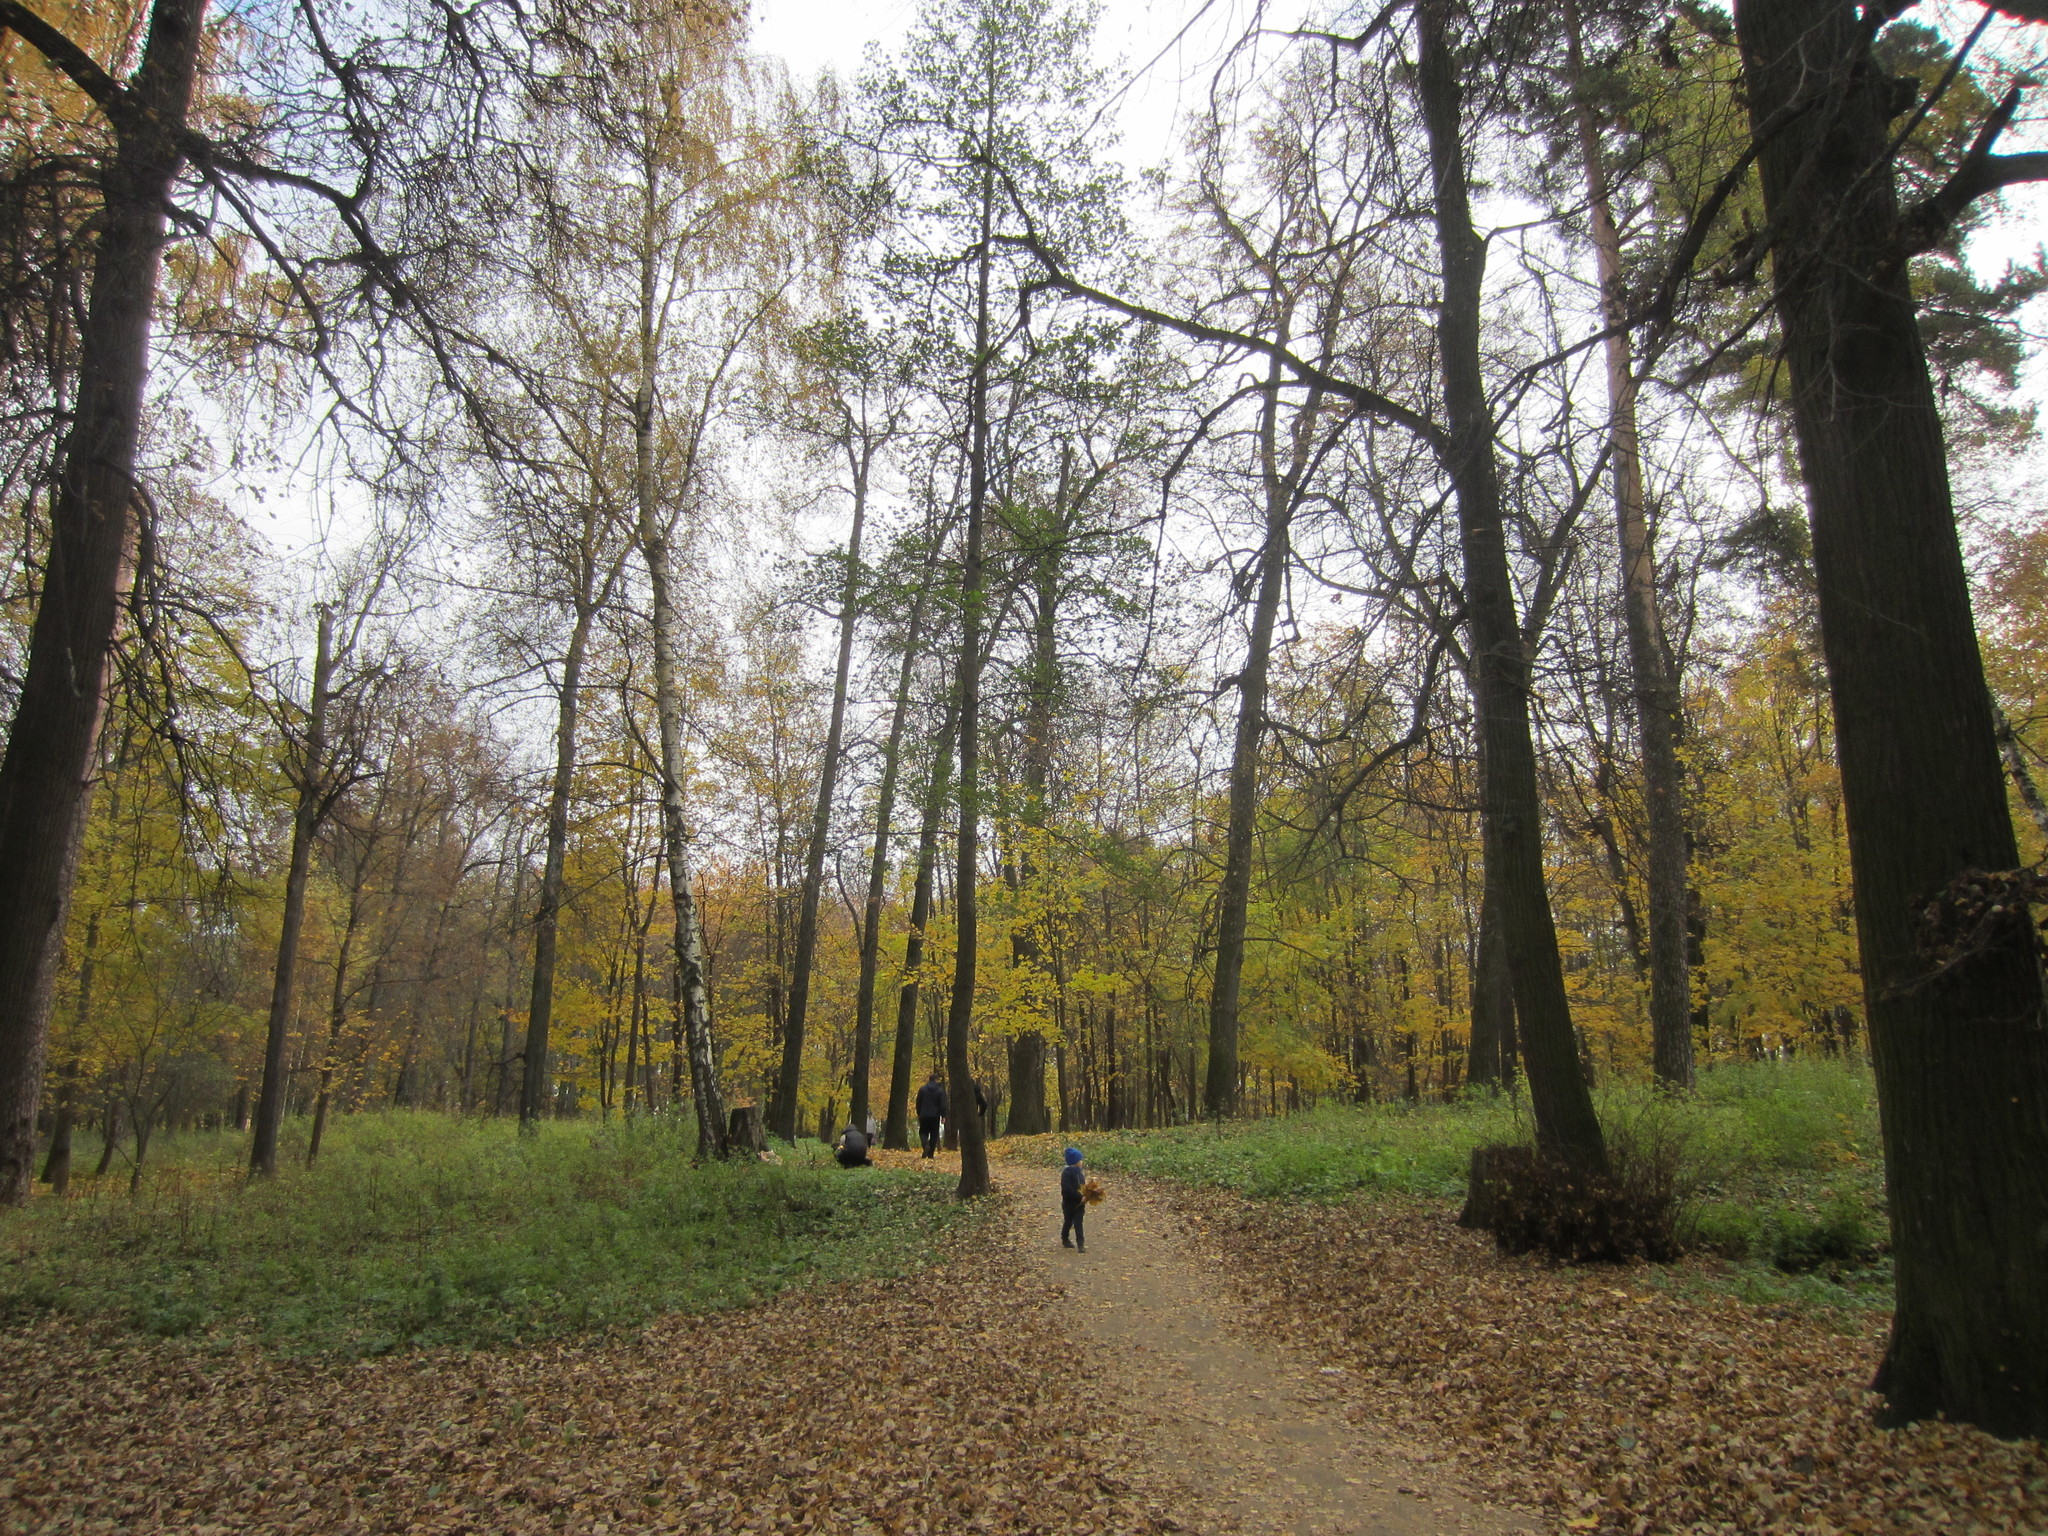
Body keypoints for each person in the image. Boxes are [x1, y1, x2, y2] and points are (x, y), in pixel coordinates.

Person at [915, 1068, 947, 1158]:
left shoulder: (922, 1089)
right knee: (934, 1134)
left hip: (924, 1115)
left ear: (929, 1079)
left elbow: (918, 1103)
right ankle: (930, 1154)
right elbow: (942, 1104)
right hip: (935, 1116)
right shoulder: (940, 1091)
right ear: (936, 1080)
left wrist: (919, 1113)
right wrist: (943, 1116)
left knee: (923, 1132)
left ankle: (925, 1145)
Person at [1060, 1146, 1087, 1252]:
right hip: (1069, 1204)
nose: (1082, 1162)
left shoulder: (1079, 1173)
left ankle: (1081, 1244)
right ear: (1075, 1161)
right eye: (1080, 1160)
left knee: (1078, 1223)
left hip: (1080, 1204)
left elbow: (1083, 1186)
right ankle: (1065, 1238)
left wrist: (1086, 1195)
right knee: (1068, 1221)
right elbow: (1067, 1189)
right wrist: (1079, 1196)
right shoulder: (1066, 1173)